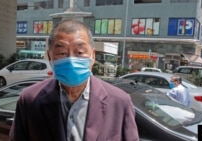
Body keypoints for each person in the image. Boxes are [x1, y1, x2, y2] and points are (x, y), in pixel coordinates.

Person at [9, 19, 139, 141]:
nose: (71, 60)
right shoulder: (29, 100)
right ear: (50, 56)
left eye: (80, 52)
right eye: (62, 53)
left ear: (93, 56)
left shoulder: (120, 102)